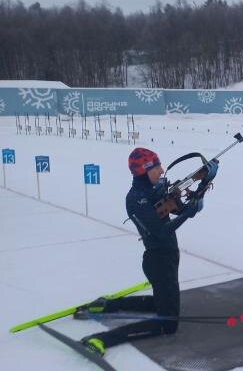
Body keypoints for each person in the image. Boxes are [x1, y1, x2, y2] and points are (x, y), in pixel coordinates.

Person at [74, 147, 214, 355]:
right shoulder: (136, 199)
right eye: (156, 167)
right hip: (158, 261)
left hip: (169, 256)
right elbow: (161, 232)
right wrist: (189, 212)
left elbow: (182, 210)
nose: (162, 170)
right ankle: (102, 339)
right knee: (168, 323)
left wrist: (200, 191)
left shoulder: (156, 190)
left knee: (161, 305)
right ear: (143, 170)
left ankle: (106, 306)